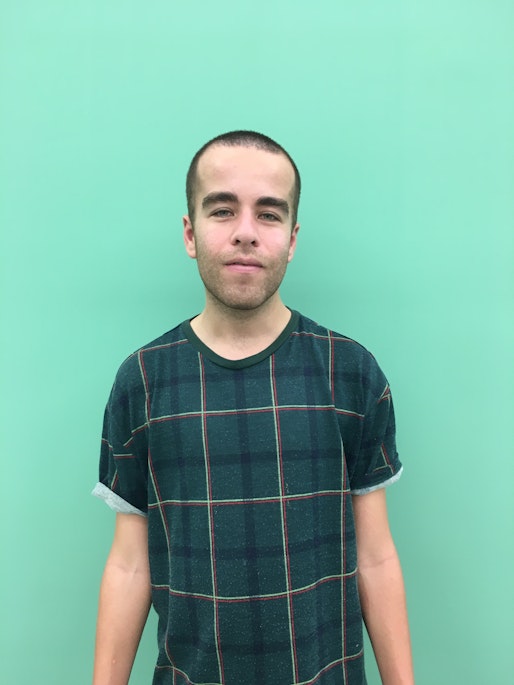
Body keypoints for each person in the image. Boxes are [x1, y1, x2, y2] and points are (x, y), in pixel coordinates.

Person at [92, 130, 414, 685]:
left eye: (269, 214)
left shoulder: (352, 373)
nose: (245, 232)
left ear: (292, 238)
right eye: (223, 210)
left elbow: (377, 556)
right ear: (191, 233)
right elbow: (129, 564)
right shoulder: (141, 381)